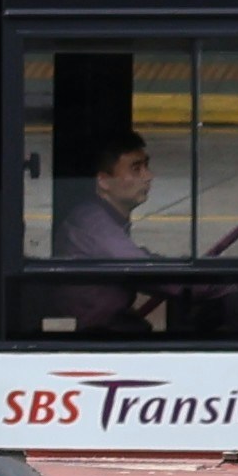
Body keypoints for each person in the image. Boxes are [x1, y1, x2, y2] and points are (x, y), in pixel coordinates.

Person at [47, 129, 155, 331]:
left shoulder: (96, 217)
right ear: (104, 181)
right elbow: (142, 269)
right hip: (94, 334)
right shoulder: (94, 224)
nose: (148, 176)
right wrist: (215, 286)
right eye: (136, 169)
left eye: (146, 166)